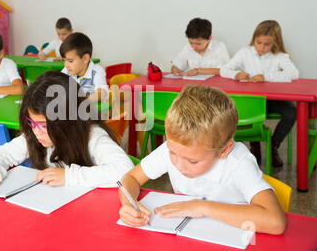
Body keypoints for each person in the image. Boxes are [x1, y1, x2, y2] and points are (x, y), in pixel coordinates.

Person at [118, 84, 286, 235]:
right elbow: (131, 178)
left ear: (224, 150)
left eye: (192, 161)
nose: (178, 165)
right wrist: (128, 203)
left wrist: (202, 207)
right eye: (173, 153)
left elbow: (275, 222)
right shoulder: (176, 147)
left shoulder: (239, 162)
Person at [0, 70, 133, 190]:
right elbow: (5, 153)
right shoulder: (37, 133)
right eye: (31, 122)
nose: (36, 131)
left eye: (43, 125)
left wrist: (69, 176)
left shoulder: (93, 136)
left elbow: (125, 170)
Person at [220, 20, 299, 167]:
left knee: (292, 112)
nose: (261, 47)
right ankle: (254, 147)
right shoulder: (245, 52)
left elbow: (294, 74)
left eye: (267, 44)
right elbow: (224, 69)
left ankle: (273, 145)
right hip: (253, 100)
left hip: (273, 101)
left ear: (275, 43)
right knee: (247, 111)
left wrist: (266, 77)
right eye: (259, 42)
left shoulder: (281, 56)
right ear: (253, 39)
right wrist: (236, 74)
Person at [60, 32, 108, 102]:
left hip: (93, 111)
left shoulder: (96, 71)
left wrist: (82, 99)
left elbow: (103, 93)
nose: (66, 65)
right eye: (64, 60)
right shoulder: (67, 71)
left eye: (70, 61)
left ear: (85, 58)